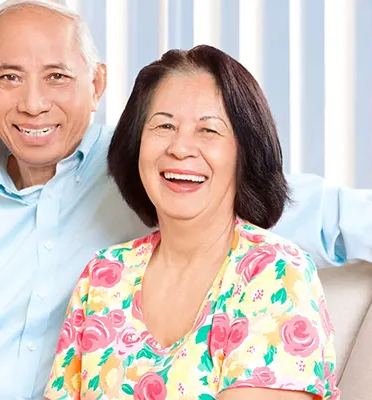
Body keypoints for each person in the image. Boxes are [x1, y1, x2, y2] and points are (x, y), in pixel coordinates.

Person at [0, 0, 372, 398]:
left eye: (57, 76)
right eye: (9, 77)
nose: (33, 102)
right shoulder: (88, 270)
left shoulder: (176, 180)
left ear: (96, 83)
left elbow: (329, 212)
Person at [45, 44, 339, 400]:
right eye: (164, 125)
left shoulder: (277, 273)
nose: (180, 148)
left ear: (245, 151)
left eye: (208, 130)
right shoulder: (104, 275)